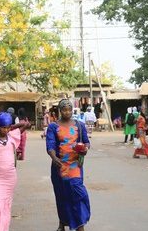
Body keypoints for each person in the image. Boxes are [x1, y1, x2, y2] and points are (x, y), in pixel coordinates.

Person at [46, 99, 91, 231]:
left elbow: (87, 142)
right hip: (59, 167)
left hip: (75, 166)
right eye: (64, 109)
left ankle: (79, 225)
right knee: (62, 196)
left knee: (78, 194)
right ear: (60, 111)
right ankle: (63, 222)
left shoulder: (79, 125)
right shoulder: (53, 127)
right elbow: (50, 145)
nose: (67, 112)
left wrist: (85, 149)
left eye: (69, 109)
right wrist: (54, 157)